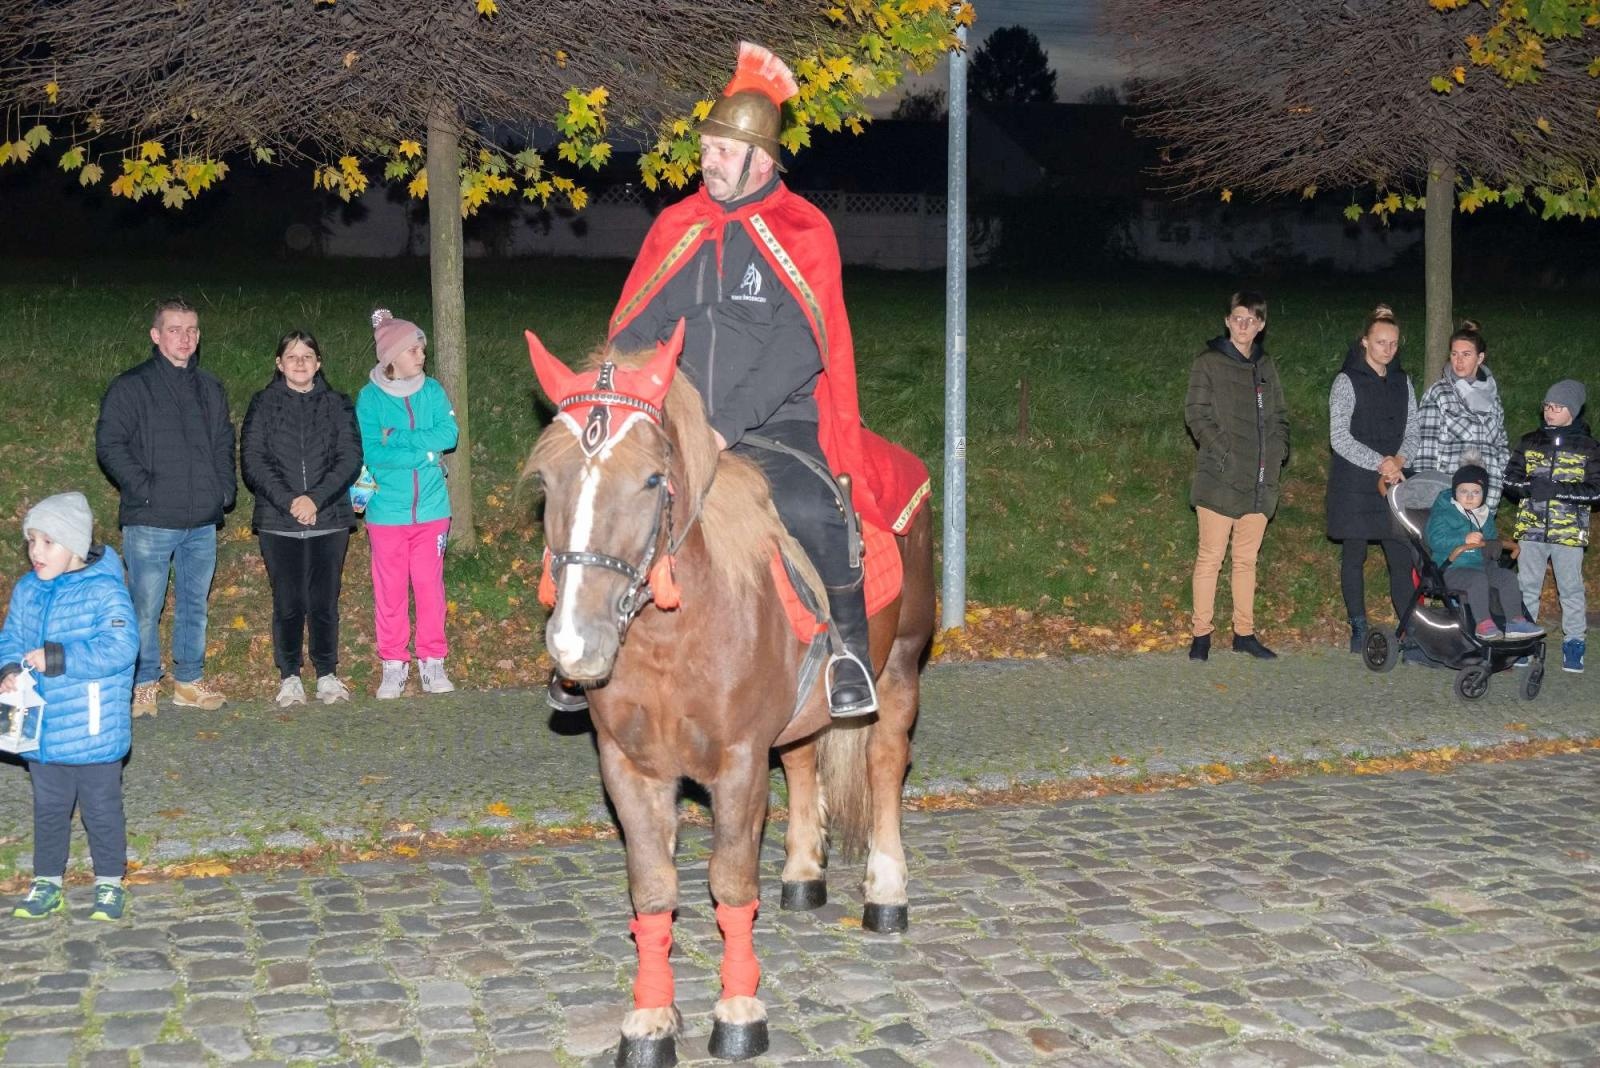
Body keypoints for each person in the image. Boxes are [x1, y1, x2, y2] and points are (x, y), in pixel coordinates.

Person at [585, 41, 880, 719]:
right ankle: (583, 650)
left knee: (815, 510)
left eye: (721, 150)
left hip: (776, 425)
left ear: (761, 159)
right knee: (596, 498)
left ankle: (850, 657)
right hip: (677, 422)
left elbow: (799, 345)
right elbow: (635, 329)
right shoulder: (677, 226)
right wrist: (610, 389)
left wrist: (724, 427)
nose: (706, 162)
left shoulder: (803, 230)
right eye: (707, 148)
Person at [94, 298, 236, 717]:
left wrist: (223, 491)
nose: (185, 338)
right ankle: (143, 683)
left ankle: (189, 681)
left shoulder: (210, 387)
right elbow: (110, 445)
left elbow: (225, 441)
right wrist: (145, 489)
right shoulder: (132, 386)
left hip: (201, 520)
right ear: (156, 336)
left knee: (195, 604)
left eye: (192, 330)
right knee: (144, 606)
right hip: (152, 519)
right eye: (174, 329)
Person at [0, 493, 138, 921]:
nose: (35, 552)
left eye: (47, 542)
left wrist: (58, 658)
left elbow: (121, 647)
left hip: (93, 728)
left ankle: (110, 883)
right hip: (42, 728)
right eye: (31, 541)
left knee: (101, 809)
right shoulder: (28, 590)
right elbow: (11, 637)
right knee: (49, 807)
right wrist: (8, 669)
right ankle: (47, 882)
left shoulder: (105, 590)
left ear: (75, 546)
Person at [240, 331, 363, 707]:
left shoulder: (338, 404)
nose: (300, 362)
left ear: (318, 363)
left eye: (307, 355)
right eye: (291, 356)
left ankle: (327, 673)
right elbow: (253, 461)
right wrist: (292, 501)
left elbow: (349, 456)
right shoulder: (262, 404)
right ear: (279, 364)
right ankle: (290, 676)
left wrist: (316, 499)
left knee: (324, 601)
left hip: (329, 517)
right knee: (289, 601)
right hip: (279, 520)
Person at [1183, 290, 1290, 662]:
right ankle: (1201, 634)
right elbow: (1196, 413)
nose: (1244, 325)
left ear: (1261, 326)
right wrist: (1224, 452)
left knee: (1246, 560)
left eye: (1252, 320)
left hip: (1260, 481)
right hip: (1220, 477)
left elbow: (1278, 417)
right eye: (1237, 317)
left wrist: (1277, 455)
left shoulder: (1265, 366)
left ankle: (1244, 632)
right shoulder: (1208, 363)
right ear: (1228, 321)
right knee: (1210, 558)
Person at [357, 310, 458, 700]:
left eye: (421, 348)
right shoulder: (370, 398)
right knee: (391, 590)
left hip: (433, 511)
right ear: (392, 358)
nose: (421, 355)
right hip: (387, 513)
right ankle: (393, 663)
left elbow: (448, 435)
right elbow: (372, 453)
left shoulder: (432, 390)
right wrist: (425, 452)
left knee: (431, 588)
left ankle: (432, 661)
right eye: (413, 349)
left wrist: (397, 438)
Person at [1326, 304, 1420, 652]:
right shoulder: (1346, 380)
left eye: (1394, 343)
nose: (1388, 350)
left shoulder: (1403, 381)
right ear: (1365, 342)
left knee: (1400, 554)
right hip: (1355, 480)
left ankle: (1409, 629)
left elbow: (1413, 430)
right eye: (1381, 342)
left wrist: (1398, 460)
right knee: (1354, 554)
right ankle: (1358, 627)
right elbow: (1339, 436)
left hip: (1393, 480)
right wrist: (1380, 462)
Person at [1503, 379, 1600, 672]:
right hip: (1532, 529)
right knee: (1526, 586)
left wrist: (1556, 489)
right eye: (1547, 406)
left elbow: (1595, 491)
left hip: (1568, 533)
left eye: (1557, 407)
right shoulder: (1530, 440)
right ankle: (1525, 642)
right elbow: (1510, 480)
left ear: (1572, 410)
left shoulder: (1588, 447)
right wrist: (1530, 488)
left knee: (1570, 589)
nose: (1550, 412)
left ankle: (1574, 644)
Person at [1425, 465, 1543, 641]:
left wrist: (1494, 547)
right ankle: (1483, 624)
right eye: (1464, 491)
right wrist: (1463, 538)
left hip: (1482, 565)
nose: (1470, 497)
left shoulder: (1484, 514)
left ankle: (1515, 621)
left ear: (1484, 494)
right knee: (1477, 580)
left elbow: (1489, 540)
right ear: (1454, 491)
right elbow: (1435, 539)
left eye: (1476, 492)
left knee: (1507, 577)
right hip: (1451, 567)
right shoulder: (1444, 512)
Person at [1413, 320, 1509, 512]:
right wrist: (1427, 490)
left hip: (1487, 491)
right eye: (1454, 354)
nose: (1458, 361)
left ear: (1480, 358)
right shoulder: (1439, 393)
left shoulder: (1493, 398)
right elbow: (1425, 445)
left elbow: (1501, 445)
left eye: (1466, 355)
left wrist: (1503, 473)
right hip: (1449, 489)